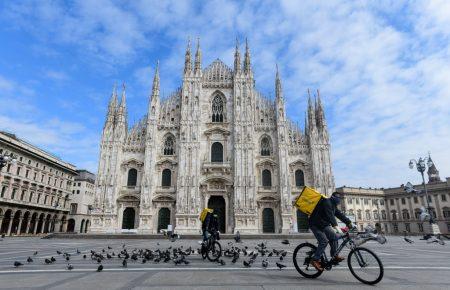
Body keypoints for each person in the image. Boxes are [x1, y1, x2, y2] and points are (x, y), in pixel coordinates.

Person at [308, 191, 353, 271]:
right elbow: (330, 216)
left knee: (334, 237)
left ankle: (334, 255)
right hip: (315, 224)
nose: (339, 200)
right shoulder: (327, 202)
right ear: (333, 197)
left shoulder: (333, 205)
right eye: (338, 198)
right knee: (324, 241)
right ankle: (315, 260)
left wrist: (348, 222)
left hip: (324, 224)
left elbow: (339, 214)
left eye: (339, 199)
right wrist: (336, 226)